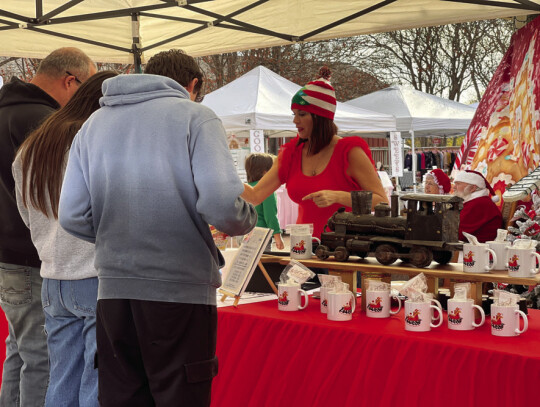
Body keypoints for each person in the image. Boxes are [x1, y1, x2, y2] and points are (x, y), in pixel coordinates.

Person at [58, 49, 257, 407]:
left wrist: (118, 235)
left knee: (122, 397)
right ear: (192, 84)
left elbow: (72, 215)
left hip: (115, 290)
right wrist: (247, 218)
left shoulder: (94, 124)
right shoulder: (196, 117)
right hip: (179, 289)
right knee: (181, 396)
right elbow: (222, 206)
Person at [12, 70, 117, 407]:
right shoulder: (93, 138)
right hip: (94, 273)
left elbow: (27, 214)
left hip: (53, 277)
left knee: (62, 378)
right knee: (95, 381)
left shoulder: (34, 144)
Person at [0, 47, 96, 407]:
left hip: (10, 255)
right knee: (42, 359)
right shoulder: (47, 124)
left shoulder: (7, 110)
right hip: (38, 257)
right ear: (70, 81)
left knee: (20, 352)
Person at [241, 66, 388, 238]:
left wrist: (339, 196)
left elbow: (382, 201)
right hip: (303, 249)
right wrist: (220, 175)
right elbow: (255, 195)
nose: (295, 120)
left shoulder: (349, 152)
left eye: (302, 114)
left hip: (345, 249)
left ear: (321, 118)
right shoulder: (291, 153)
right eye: (294, 114)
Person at [245, 153, 285, 250]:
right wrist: (278, 237)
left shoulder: (245, 189)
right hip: (261, 235)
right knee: (264, 261)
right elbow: (270, 215)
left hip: (244, 233)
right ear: (265, 172)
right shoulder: (267, 189)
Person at [454, 170, 503, 243]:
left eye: (458, 184)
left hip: (481, 250)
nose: (454, 187)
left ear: (472, 188)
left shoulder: (479, 204)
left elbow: (457, 233)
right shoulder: (475, 202)